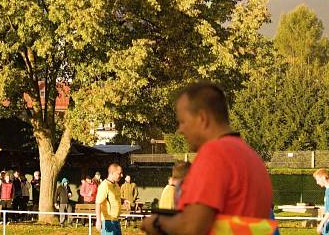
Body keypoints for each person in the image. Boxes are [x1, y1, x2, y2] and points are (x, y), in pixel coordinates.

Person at [141, 81, 274, 235]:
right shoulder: (250, 156)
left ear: (202, 118)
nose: (180, 130)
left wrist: (157, 223)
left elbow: (192, 228)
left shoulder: (214, 155)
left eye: (183, 122)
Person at [96, 164, 123, 234]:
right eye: (119, 173)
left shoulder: (116, 185)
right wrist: (98, 221)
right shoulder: (104, 185)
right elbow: (98, 203)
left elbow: (114, 198)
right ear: (112, 173)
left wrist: (124, 200)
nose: (121, 175)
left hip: (116, 220)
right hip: (107, 221)